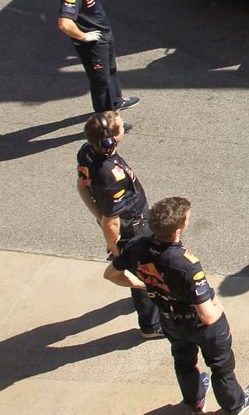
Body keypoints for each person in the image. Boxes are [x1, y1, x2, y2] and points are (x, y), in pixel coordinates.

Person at [106, 197, 249, 414]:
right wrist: (219, 309)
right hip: (201, 325)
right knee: (221, 367)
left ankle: (195, 400)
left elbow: (111, 274)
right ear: (179, 230)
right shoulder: (186, 265)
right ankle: (234, 404)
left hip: (170, 321)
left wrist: (144, 284)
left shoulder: (136, 246)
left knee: (183, 361)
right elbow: (208, 316)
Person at [77, 110, 161, 339]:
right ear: (110, 139)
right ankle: (151, 325)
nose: (125, 129)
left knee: (140, 269)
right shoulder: (110, 175)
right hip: (132, 227)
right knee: (145, 273)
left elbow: (82, 187)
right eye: (122, 127)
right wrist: (114, 245)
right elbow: (112, 220)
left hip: (123, 224)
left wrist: (100, 218)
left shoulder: (87, 152)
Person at [57, 0, 140, 115]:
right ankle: (105, 121)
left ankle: (116, 101)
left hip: (103, 34)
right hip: (93, 43)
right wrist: (84, 37)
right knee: (101, 82)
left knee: (111, 71)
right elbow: (64, 23)